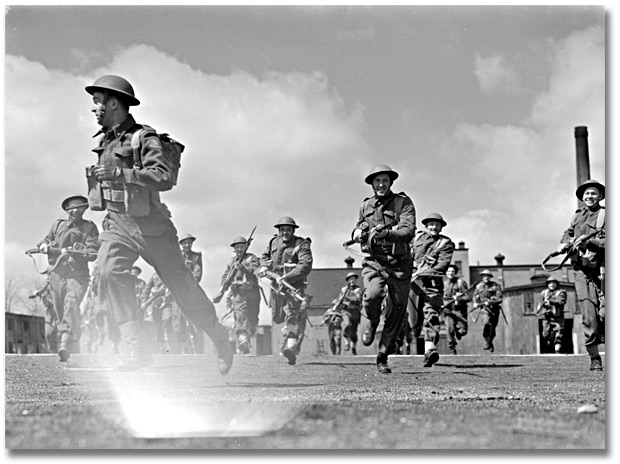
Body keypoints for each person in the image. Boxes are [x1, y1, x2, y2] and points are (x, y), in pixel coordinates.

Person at [84, 74, 232, 372]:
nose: (94, 109)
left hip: (152, 227)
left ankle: (218, 334)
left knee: (182, 288)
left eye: (98, 102)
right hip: (117, 224)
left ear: (114, 102)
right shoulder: (105, 141)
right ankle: (135, 347)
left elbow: (163, 177)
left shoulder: (143, 137)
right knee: (109, 273)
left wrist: (121, 175)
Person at [350, 165, 415, 374]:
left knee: (397, 309)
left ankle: (382, 356)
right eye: (377, 181)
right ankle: (372, 321)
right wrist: (358, 232)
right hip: (375, 261)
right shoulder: (365, 206)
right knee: (372, 295)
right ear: (371, 184)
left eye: (385, 181)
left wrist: (385, 234)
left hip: (399, 263)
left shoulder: (403, 203)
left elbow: (408, 231)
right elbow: (357, 226)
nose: (381, 184)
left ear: (391, 182)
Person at [36, 194, 99, 362]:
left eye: (79, 208)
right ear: (66, 210)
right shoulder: (58, 225)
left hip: (77, 274)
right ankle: (67, 335)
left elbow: (93, 252)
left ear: (85, 209)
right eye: (71, 208)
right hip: (56, 274)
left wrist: (78, 250)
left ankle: (65, 342)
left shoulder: (89, 228)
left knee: (71, 301)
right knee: (60, 310)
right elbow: (46, 240)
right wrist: (43, 246)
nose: (75, 211)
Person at [557, 179, 605, 371]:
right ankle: (594, 358)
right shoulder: (577, 217)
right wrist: (564, 243)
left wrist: (589, 243)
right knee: (588, 315)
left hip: (603, 269)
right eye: (586, 194)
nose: (589, 196)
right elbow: (567, 234)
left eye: (593, 193)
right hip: (581, 270)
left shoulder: (606, 215)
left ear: (600, 196)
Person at [258, 216, 313, 366]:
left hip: (294, 286)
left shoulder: (301, 244)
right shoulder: (273, 242)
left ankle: (291, 346)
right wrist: (264, 265)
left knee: (292, 312)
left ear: (293, 230)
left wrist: (287, 278)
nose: (285, 232)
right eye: (282, 230)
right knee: (277, 317)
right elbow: (264, 256)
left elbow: (305, 265)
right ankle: (289, 330)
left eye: (288, 229)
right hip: (276, 286)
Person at [409, 213, 455, 367]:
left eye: (437, 224)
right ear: (426, 226)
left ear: (441, 227)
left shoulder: (446, 244)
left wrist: (422, 272)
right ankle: (415, 333)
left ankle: (430, 349)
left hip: (433, 284)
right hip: (414, 284)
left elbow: (442, 265)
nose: (434, 227)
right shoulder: (416, 238)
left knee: (431, 314)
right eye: (431, 224)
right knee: (414, 320)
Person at [218, 236, 261, 354]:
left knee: (252, 317)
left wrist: (243, 268)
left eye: (242, 246)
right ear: (234, 249)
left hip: (252, 291)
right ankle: (243, 340)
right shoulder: (232, 261)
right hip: (238, 292)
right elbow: (225, 275)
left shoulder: (252, 258)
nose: (239, 249)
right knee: (240, 315)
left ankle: (250, 333)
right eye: (237, 247)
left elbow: (255, 271)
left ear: (246, 247)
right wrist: (223, 286)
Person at [178, 233, 204, 354]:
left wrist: (186, 283)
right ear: (181, 245)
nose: (187, 245)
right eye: (185, 243)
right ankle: (184, 345)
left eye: (189, 242)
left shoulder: (196, 257)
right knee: (177, 322)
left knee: (192, 320)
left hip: (190, 291)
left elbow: (197, 274)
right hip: (176, 292)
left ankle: (195, 346)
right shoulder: (175, 256)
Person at [443, 264, 471, 355]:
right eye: (448, 271)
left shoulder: (460, 282)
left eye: (452, 271)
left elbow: (468, 297)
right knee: (449, 329)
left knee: (463, 330)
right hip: (448, 310)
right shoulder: (443, 283)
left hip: (459, 310)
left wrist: (459, 298)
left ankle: (459, 333)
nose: (450, 273)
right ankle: (452, 348)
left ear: (455, 273)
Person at [472, 270, 503, 352]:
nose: (486, 277)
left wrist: (491, 301)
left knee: (492, 328)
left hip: (495, 309)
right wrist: (475, 302)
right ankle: (486, 341)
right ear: (482, 277)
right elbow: (475, 296)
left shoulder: (495, 286)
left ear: (490, 277)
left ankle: (490, 342)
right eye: (484, 276)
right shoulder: (479, 286)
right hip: (485, 309)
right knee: (486, 324)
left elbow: (500, 299)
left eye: (488, 276)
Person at [333, 272, 363, 355]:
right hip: (346, 311)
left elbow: (358, 300)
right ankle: (347, 342)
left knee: (354, 331)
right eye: (350, 279)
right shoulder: (344, 289)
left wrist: (347, 297)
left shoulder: (358, 289)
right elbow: (339, 299)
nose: (352, 280)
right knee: (347, 324)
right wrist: (337, 304)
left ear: (355, 280)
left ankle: (353, 347)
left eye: (353, 278)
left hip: (355, 311)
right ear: (348, 280)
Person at [537, 276, 566, 354]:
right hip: (546, 316)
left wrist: (550, 301)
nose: (552, 285)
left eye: (553, 283)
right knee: (545, 333)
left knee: (559, 332)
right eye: (550, 283)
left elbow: (561, 302)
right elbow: (540, 302)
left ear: (557, 284)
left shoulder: (561, 292)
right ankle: (549, 339)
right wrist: (538, 309)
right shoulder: (544, 293)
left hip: (557, 316)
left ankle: (557, 350)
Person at [28, 280, 58, 352]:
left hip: (57, 311)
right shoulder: (45, 288)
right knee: (48, 334)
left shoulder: (56, 287)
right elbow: (41, 291)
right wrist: (36, 294)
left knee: (57, 331)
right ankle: (53, 350)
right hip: (49, 312)